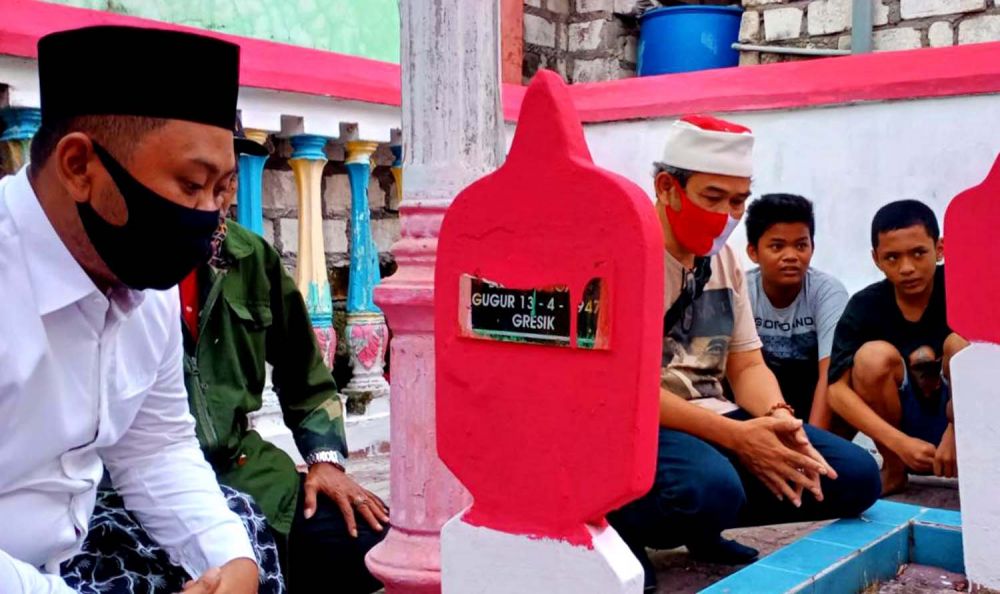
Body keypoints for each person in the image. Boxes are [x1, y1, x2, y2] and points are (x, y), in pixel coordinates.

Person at [0, 25, 278, 594]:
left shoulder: (141, 280)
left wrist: (231, 564)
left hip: (69, 557)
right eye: (191, 186)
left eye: (221, 190)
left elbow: (156, 448)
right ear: (79, 166)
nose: (208, 217)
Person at [607, 115, 881, 592]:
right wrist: (739, 440)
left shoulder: (724, 258)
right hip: (642, 426)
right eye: (712, 198)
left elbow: (747, 362)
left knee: (855, 477)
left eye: (738, 201)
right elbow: (626, 390)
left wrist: (777, 421)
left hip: (713, 416)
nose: (727, 215)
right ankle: (620, 525)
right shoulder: (624, 254)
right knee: (706, 489)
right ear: (667, 187)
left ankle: (703, 523)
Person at [174, 127, 388, 594]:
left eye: (226, 182)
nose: (216, 201)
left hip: (243, 469)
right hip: (148, 491)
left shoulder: (250, 258)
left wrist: (324, 460)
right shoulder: (130, 273)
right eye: (194, 183)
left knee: (372, 545)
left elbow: (306, 375)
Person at [827, 200, 968, 495]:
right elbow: (836, 391)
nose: (907, 268)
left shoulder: (964, 290)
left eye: (918, 253)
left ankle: (977, 463)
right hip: (903, 430)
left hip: (962, 423)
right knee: (871, 358)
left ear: (940, 248)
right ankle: (893, 469)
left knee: (962, 346)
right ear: (876, 259)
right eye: (892, 257)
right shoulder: (865, 306)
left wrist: (956, 432)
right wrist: (897, 444)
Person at [745, 193, 848, 429]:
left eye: (801, 245)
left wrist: (812, 444)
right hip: (761, 403)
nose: (791, 256)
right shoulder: (741, 291)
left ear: (812, 247)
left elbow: (829, 376)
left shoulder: (827, 292)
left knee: (848, 374)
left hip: (813, 400)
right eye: (777, 246)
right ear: (753, 252)